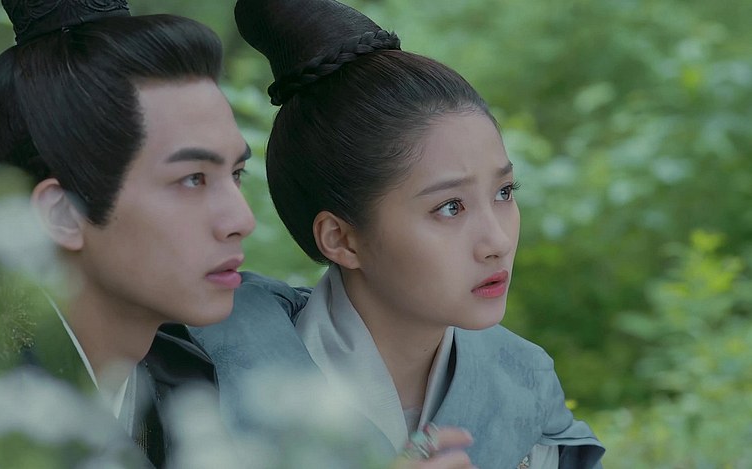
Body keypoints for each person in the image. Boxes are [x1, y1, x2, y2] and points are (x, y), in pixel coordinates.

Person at [191, 0, 606, 467]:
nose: (498, 242)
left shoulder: (522, 387)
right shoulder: (217, 375)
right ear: (341, 239)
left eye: (505, 192)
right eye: (450, 207)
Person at [0, 0, 256, 466]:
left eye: (235, 174)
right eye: (193, 179)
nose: (241, 219)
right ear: (62, 213)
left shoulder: (185, 379)